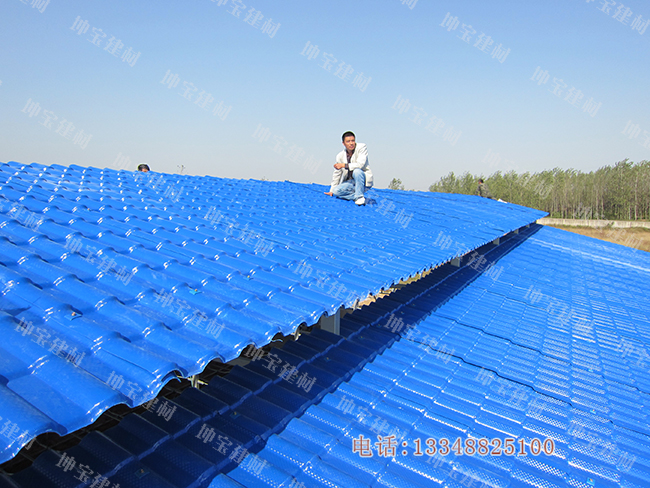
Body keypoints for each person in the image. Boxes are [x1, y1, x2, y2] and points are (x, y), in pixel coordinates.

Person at [324, 131, 373, 205]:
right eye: (348, 141)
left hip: (362, 180)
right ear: (343, 143)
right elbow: (337, 174)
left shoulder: (361, 147)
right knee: (336, 191)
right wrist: (331, 190)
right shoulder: (340, 156)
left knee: (357, 171)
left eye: (353, 141)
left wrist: (344, 165)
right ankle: (356, 196)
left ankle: (359, 196)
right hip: (351, 183)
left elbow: (360, 164)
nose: (351, 143)